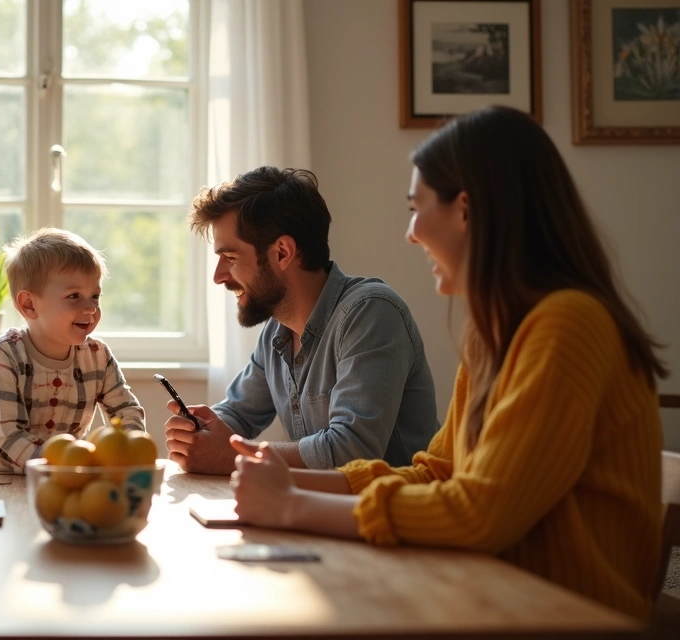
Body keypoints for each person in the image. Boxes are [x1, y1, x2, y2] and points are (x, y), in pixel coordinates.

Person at [230, 105, 667, 619]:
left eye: (416, 207)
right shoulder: (495, 336)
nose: (412, 232)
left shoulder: (568, 325)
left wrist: (293, 506)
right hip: (492, 599)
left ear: (465, 211)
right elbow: (437, 473)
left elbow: (481, 513)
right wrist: (288, 479)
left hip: (560, 616)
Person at [166, 166, 438, 475]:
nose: (218, 277)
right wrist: (200, 431)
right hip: (323, 513)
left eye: (230, 259)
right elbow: (237, 413)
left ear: (282, 252)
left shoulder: (370, 312)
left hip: (393, 516)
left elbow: (352, 450)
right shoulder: (276, 331)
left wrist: (235, 456)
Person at [0, 228, 145, 471]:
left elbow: (126, 410)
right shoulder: (4, 355)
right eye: (75, 296)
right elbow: (8, 438)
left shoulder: (98, 356)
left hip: (58, 471)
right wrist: (69, 463)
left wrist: (127, 451)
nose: (90, 307)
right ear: (29, 305)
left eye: (95, 296)